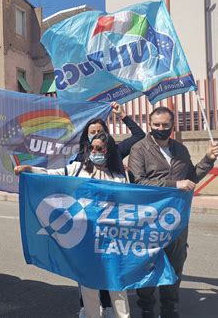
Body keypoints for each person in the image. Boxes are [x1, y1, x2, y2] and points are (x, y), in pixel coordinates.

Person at [15, 132, 130, 318]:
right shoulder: (77, 169)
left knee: (116, 286)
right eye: (91, 148)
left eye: (99, 148)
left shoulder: (119, 177)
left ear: (108, 151)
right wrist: (30, 170)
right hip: (84, 237)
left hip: (111, 239)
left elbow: (130, 205)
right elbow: (53, 175)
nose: (94, 152)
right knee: (88, 286)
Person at [128, 106, 218, 318]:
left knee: (175, 261)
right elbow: (139, 182)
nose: (161, 128)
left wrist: (208, 159)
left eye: (165, 125)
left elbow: (191, 176)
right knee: (149, 262)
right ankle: (146, 306)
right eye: (156, 125)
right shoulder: (139, 149)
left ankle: (169, 306)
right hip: (149, 218)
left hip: (176, 218)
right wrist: (174, 184)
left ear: (172, 126)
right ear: (149, 126)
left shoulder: (180, 149)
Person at [75, 102, 145, 317]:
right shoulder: (78, 162)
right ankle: (89, 310)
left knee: (114, 278)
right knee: (88, 278)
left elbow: (139, 134)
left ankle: (112, 310)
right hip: (87, 229)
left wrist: (122, 115)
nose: (96, 147)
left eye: (99, 132)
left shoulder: (116, 164)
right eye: (92, 133)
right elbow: (60, 178)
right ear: (86, 139)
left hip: (113, 231)